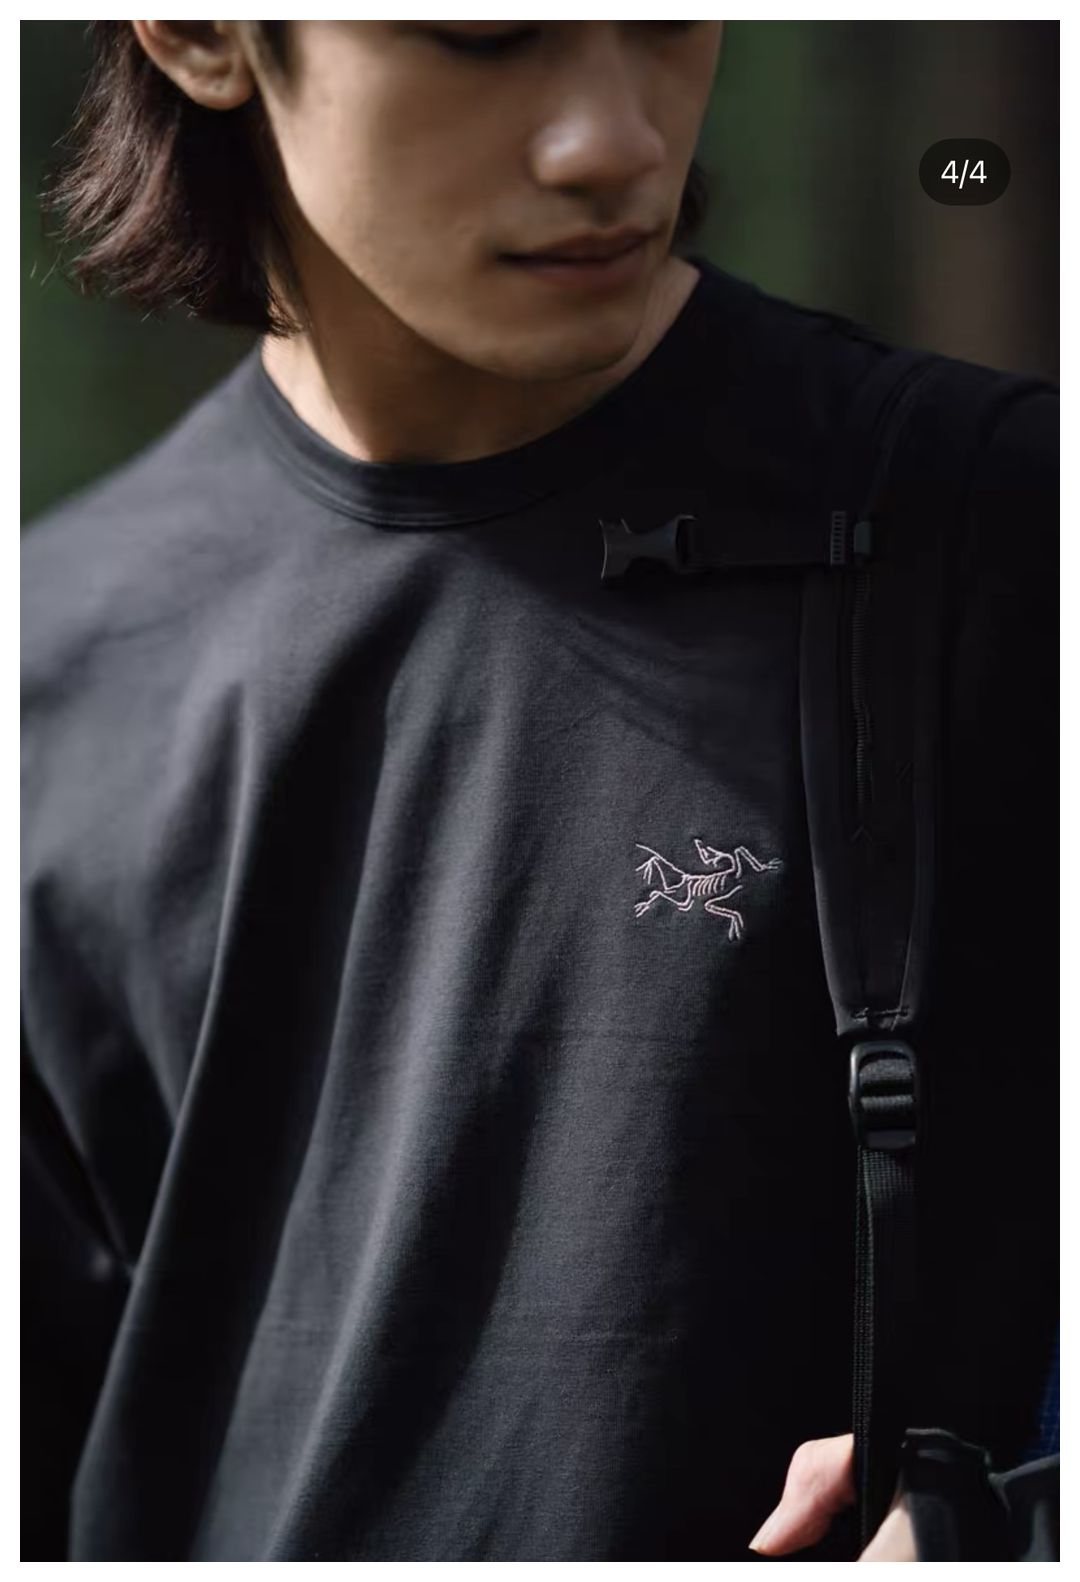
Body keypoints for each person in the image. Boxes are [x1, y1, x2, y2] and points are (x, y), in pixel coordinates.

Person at [21, 20, 1057, 1562]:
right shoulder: (48, 672)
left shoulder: (1007, 539)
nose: (616, 141)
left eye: (663, 17)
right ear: (198, 31)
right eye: (486, 33)